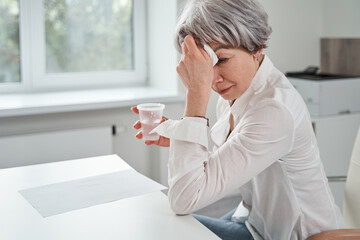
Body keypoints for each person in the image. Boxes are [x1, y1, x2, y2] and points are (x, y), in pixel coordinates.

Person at [132, 0, 343, 239]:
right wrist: (181, 136)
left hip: (294, 236)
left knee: (165, 228)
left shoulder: (274, 110)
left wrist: (195, 94)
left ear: (257, 47)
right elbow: (232, 156)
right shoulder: (236, 93)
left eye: (221, 60)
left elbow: (185, 198)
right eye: (204, 65)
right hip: (256, 222)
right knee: (163, 223)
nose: (212, 80)